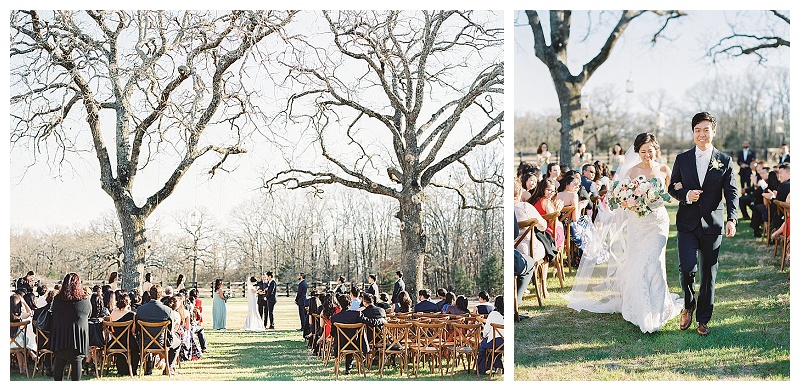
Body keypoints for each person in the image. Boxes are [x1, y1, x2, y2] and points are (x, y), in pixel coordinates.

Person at [566, 132, 683, 333]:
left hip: (658, 221)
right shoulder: (630, 171)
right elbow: (621, 199)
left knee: (655, 262)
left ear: (657, 149)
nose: (647, 155)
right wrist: (634, 202)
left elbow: (670, 193)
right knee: (638, 261)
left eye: (651, 150)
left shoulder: (664, 169)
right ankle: (639, 307)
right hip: (638, 222)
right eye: (643, 151)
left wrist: (680, 190)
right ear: (638, 152)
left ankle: (657, 306)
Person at [669, 113, 738, 336]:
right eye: (698, 129)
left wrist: (732, 218)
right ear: (693, 132)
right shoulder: (682, 159)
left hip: (713, 224)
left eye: (706, 129)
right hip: (687, 223)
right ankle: (688, 304)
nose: (702, 134)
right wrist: (687, 194)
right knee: (687, 268)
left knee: (709, 274)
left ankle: (703, 319)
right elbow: (672, 188)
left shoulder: (724, 160)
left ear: (713, 132)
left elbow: (732, 192)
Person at [330, 294, 386, 375]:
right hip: (357, 344)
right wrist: (381, 320)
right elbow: (371, 322)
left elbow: (332, 334)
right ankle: (350, 367)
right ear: (350, 303)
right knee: (352, 340)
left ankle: (347, 369)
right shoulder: (357, 314)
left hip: (340, 345)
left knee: (347, 340)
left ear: (339, 304)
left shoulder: (334, 318)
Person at [49, 272, 91, 381]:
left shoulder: (57, 300)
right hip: (77, 340)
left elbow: (53, 313)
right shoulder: (84, 301)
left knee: (59, 362)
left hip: (60, 337)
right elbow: (89, 314)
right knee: (77, 362)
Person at [137, 284, 179, 375]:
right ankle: (169, 368)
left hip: (145, 342)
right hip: (162, 342)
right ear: (161, 294)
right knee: (178, 343)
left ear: (149, 294)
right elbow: (170, 330)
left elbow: (138, 329)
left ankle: (148, 368)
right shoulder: (167, 310)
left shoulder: (140, 309)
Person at [108, 293, 139, 376]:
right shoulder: (132, 315)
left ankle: (121, 369)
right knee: (136, 350)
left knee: (121, 348)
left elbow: (112, 330)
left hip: (115, 342)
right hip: (128, 342)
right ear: (128, 302)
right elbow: (133, 331)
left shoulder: (112, 314)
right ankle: (133, 370)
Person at [476, 296, 504, 375]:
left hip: (496, 341)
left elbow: (487, 329)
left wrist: (484, 336)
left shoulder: (493, 314)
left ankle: (481, 369)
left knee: (483, 346)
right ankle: (499, 366)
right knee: (493, 348)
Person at [11, 292, 37, 374]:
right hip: (19, 344)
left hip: (9, 343)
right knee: (22, 343)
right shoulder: (20, 315)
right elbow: (30, 313)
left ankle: (22, 367)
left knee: (19, 344)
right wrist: (23, 302)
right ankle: (27, 360)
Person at [188, 289, 208, 353]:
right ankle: (203, 347)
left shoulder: (186, 302)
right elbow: (199, 316)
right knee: (201, 329)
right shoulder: (198, 302)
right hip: (192, 324)